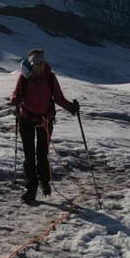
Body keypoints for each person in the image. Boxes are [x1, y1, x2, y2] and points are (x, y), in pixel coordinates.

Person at [7, 49, 78, 205]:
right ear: (31, 64)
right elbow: (17, 94)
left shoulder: (50, 78)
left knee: (42, 153)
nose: (39, 65)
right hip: (27, 119)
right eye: (36, 63)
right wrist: (14, 100)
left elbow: (58, 97)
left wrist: (71, 107)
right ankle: (31, 188)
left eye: (41, 62)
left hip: (44, 120)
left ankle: (44, 183)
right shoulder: (24, 78)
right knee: (29, 155)